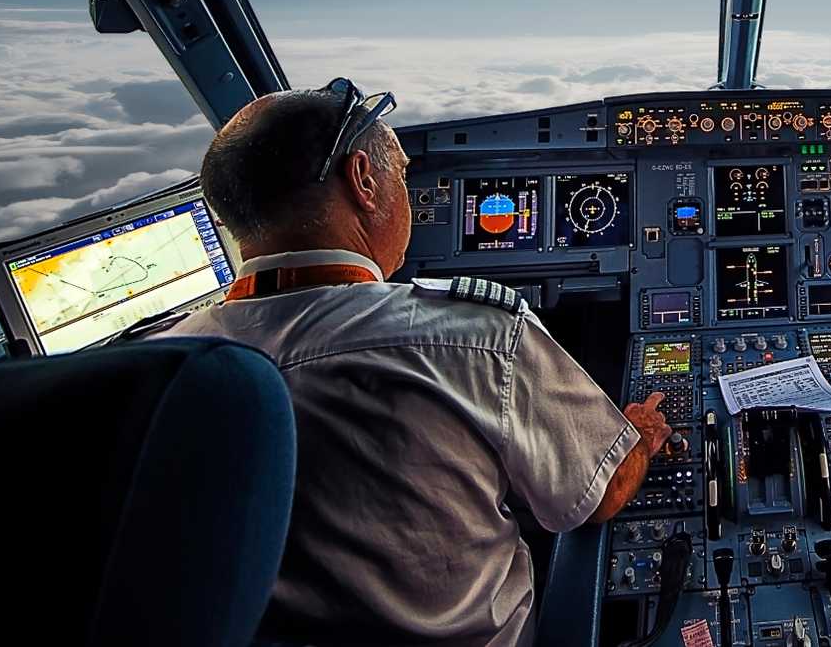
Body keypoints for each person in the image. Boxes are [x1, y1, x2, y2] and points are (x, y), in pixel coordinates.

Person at [156, 80, 669, 646]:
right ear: (363, 180)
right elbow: (596, 496)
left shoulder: (162, 373)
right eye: (402, 174)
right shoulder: (476, 336)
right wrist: (639, 435)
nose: (408, 194)